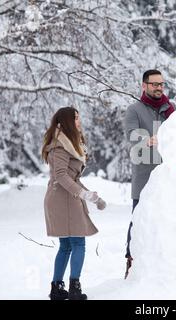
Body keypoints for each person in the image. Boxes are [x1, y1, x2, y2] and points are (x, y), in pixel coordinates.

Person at [41, 106, 106, 300]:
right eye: (76, 118)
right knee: (77, 243)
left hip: (66, 196)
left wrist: (93, 197)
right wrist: (83, 195)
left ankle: (57, 288)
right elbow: (61, 175)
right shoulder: (59, 145)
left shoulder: (70, 143)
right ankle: (74, 288)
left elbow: (72, 177)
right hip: (62, 198)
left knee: (67, 245)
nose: (79, 121)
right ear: (66, 122)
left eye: (79, 117)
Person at [123, 69, 175, 277]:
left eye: (161, 84)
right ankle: (131, 260)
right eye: (154, 84)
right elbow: (131, 134)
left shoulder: (170, 109)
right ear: (144, 86)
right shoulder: (134, 109)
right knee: (138, 217)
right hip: (145, 172)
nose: (159, 87)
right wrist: (151, 138)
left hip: (169, 173)